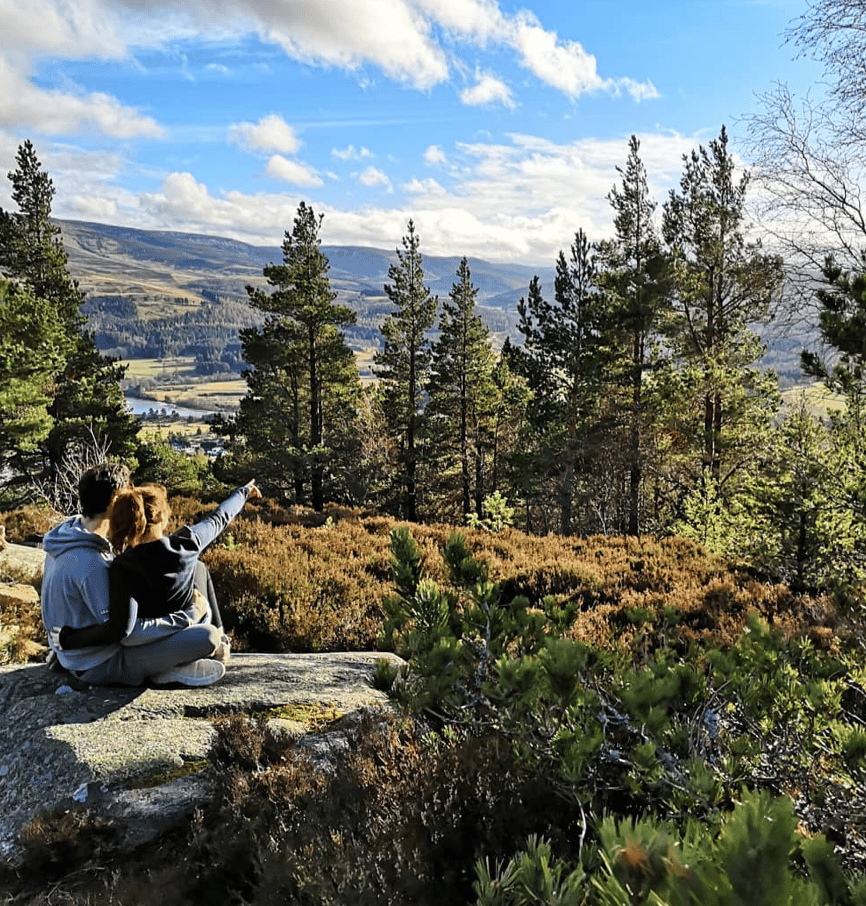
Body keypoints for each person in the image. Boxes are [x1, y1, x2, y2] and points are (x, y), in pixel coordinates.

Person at [41, 463, 228, 687]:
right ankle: (166, 671)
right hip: (104, 664)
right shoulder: (93, 564)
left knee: (197, 568)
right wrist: (190, 614)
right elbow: (126, 634)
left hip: (79, 656)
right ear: (115, 501)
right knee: (206, 637)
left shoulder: (66, 536)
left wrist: (62, 649)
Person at [106, 480, 262, 652]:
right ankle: (221, 640)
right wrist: (244, 492)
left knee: (199, 566)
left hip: (149, 641)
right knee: (199, 567)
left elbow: (126, 626)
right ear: (160, 517)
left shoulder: (123, 563)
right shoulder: (186, 543)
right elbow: (220, 517)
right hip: (191, 632)